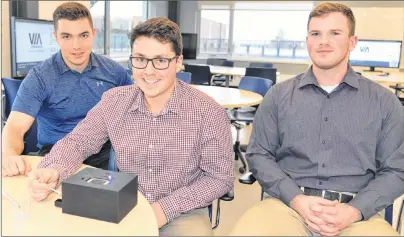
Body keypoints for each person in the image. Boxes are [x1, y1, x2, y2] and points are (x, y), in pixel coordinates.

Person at [27, 17, 234, 236]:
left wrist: (163, 210)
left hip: (183, 210)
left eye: (161, 60)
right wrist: (52, 169)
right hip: (125, 201)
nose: (149, 71)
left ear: (178, 61)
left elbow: (219, 178)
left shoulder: (209, 113)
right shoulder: (114, 101)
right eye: (140, 60)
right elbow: (78, 142)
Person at [230, 2, 403, 236]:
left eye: (335, 33)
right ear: (307, 41)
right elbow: (259, 155)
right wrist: (297, 199)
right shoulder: (278, 96)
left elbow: (397, 170)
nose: (323, 41)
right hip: (287, 207)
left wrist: (354, 210)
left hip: (358, 215)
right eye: (316, 33)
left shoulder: (384, 102)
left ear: (352, 42)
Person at [2, 2, 133, 176]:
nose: (76, 46)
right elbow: (15, 127)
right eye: (66, 36)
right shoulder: (40, 77)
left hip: (103, 152)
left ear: (93, 34)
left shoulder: (114, 72)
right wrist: (10, 155)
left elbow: (135, 113)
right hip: (54, 151)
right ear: (55, 37)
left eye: (83, 35)